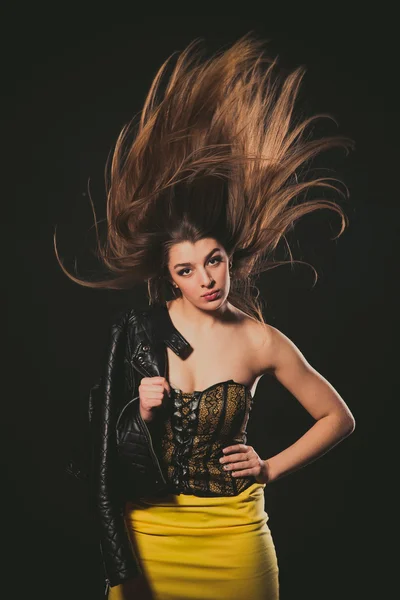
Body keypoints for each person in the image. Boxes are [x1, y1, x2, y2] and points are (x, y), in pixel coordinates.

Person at [56, 33, 356, 600]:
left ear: (229, 257)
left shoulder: (261, 341)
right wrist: (140, 414)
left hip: (232, 535)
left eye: (213, 261)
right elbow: (96, 451)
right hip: (146, 530)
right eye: (188, 270)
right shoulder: (138, 332)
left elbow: (337, 418)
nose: (207, 279)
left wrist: (267, 468)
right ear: (170, 276)